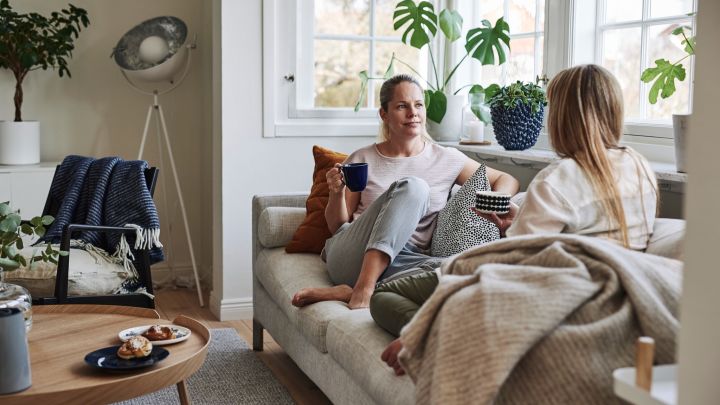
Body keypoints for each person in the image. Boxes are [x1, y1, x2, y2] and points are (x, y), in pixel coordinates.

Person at [374, 64, 659, 376]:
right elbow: (587, 234)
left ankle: (440, 340)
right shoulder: (640, 166)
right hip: (609, 301)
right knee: (439, 268)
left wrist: (426, 323)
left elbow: (509, 266)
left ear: (563, 116)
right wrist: (520, 220)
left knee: (383, 297)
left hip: (542, 298)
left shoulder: (558, 178)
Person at [291, 74, 520, 310]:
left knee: (463, 268)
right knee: (415, 187)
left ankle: (350, 290)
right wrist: (336, 193)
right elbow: (336, 225)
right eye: (402, 106)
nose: (413, 113)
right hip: (352, 255)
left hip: (406, 260)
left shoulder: (447, 158)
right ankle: (365, 288)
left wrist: (495, 200)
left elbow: (506, 178)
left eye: (418, 105)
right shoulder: (362, 158)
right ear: (384, 114)